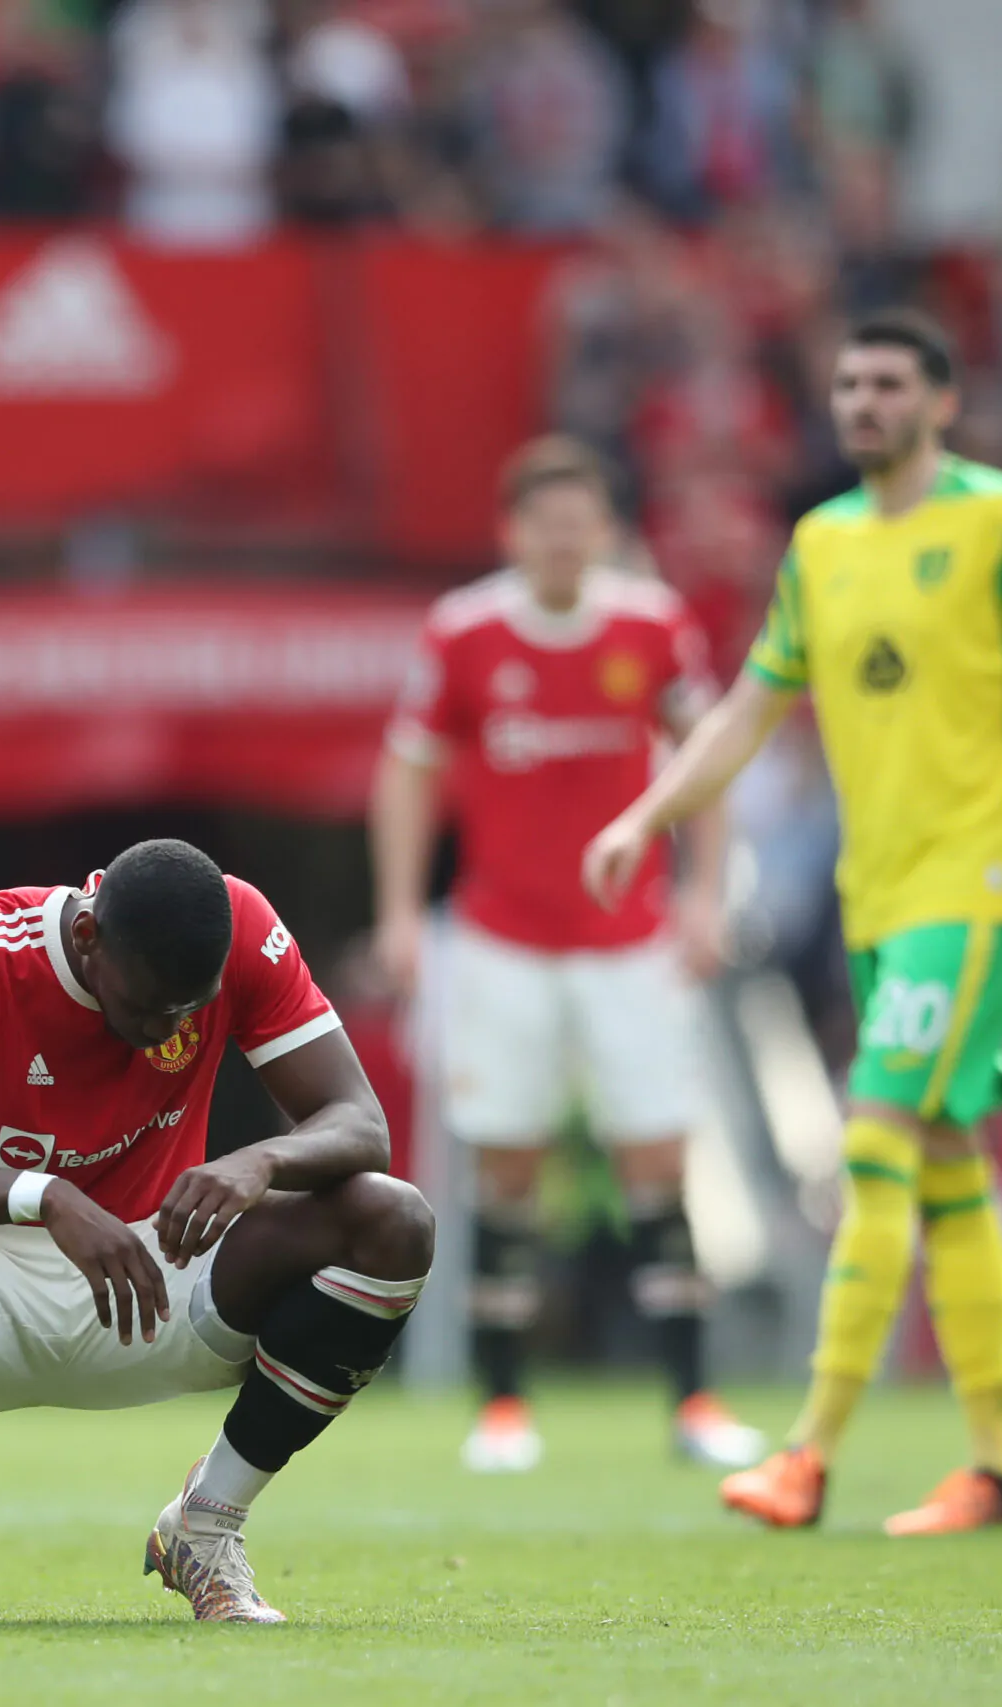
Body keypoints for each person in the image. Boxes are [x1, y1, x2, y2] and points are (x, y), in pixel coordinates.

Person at [584, 308, 1002, 1536]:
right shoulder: (821, 545)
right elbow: (743, 713)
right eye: (846, 385)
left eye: (886, 384)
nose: (862, 404)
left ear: (940, 401)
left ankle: (808, 1452)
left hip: (978, 883)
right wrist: (643, 816)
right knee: (943, 1165)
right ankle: (997, 1466)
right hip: (876, 899)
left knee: (872, 1140)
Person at [0, 838, 433, 1623]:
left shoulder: (241, 923)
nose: (169, 1033)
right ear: (88, 939)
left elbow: (359, 1122)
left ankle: (209, 1521)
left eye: (191, 1011)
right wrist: (45, 1195)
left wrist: (260, 1161)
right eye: (148, 1007)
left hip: (164, 1273)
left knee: (394, 1218)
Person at [371, 436, 763, 1475]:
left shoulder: (650, 623)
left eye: (576, 520)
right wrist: (401, 912)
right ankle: (502, 1407)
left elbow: (709, 759)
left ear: (602, 529)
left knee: (657, 1160)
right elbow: (406, 773)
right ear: (513, 532)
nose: (559, 539)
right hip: (501, 940)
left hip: (627, 939)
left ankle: (692, 1401)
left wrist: (704, 894)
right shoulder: (463, 631)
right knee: (507, 1167)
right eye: (541, 522)